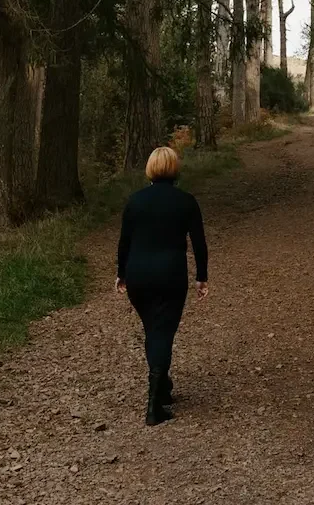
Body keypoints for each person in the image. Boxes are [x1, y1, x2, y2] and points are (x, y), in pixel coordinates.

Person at [116, 146, 209, 426]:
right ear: (175, 169)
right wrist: (201, 276)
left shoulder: (135, 201)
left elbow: (124, 243)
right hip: (170, 274)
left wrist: (121, 274)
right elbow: (199, 244)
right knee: (163, 331)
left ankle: (163, 386)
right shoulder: (186, 202)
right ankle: (154, 406)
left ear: (150, 169)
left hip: (138, 275)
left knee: (152, 329)